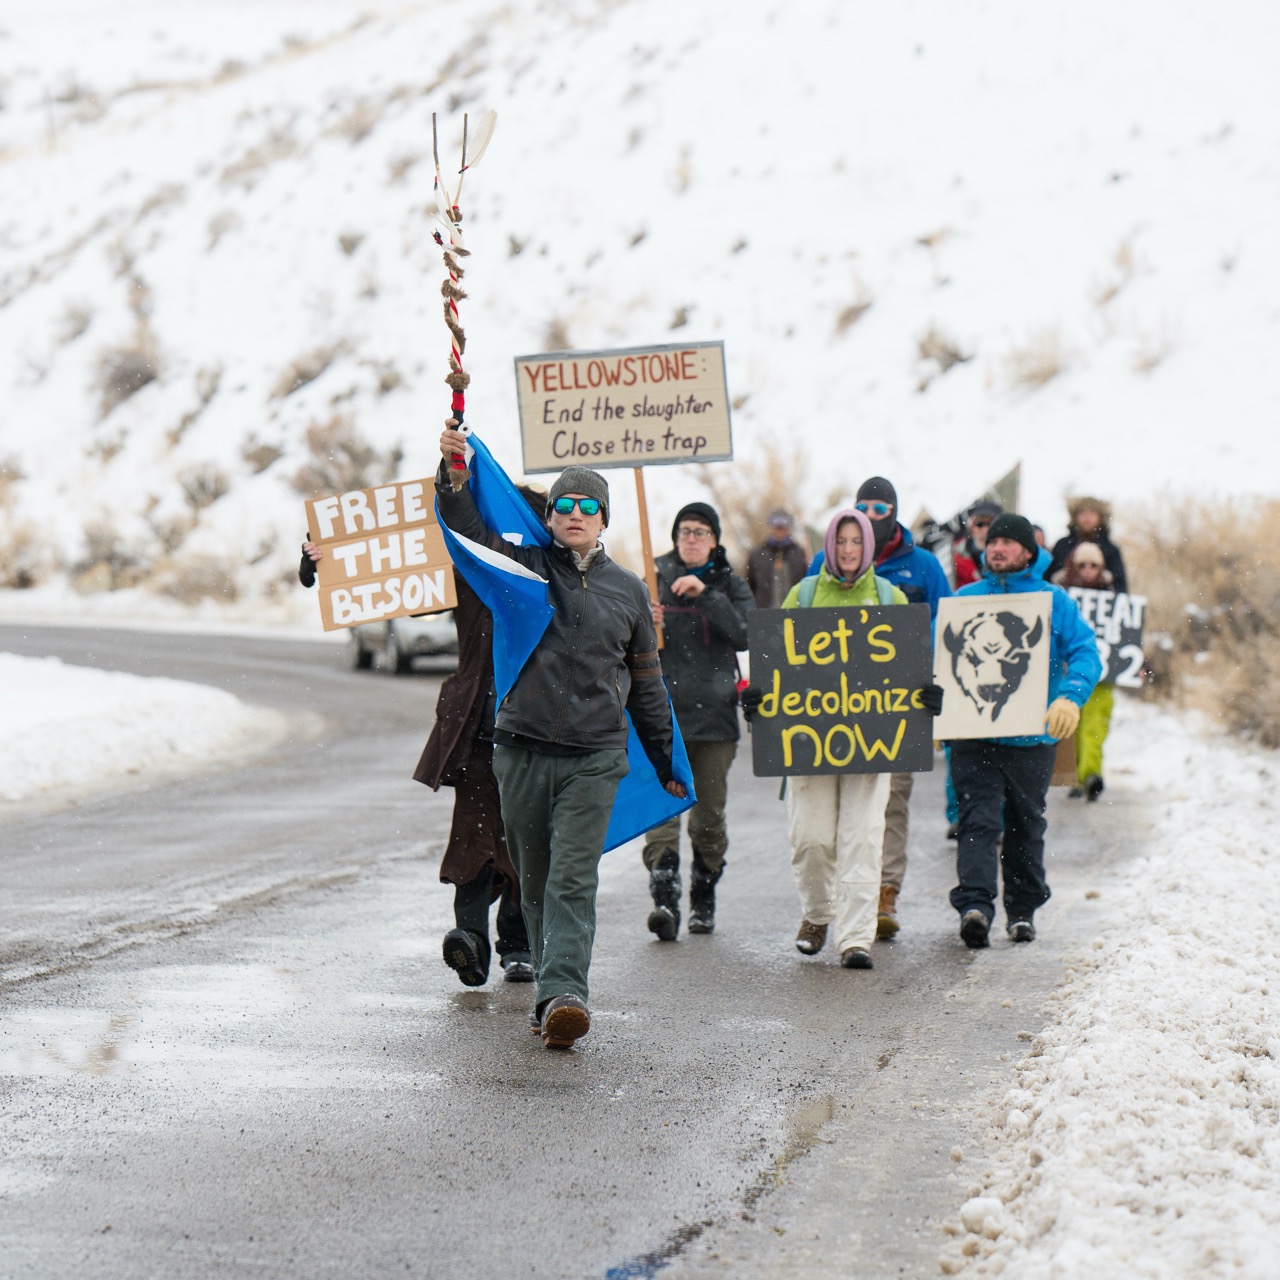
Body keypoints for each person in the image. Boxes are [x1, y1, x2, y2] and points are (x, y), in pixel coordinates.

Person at [436, 425, 685, 1050]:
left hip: (594, 758)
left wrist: (663, 759)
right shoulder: (520, 570)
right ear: (549, 517)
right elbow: (467, 535)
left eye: (588, 506)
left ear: (604, 519)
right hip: (519, 750)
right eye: (564, 506)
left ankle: (565, 994)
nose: (576, 515)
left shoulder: (628, 591)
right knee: (538, 879)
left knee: (572, 876)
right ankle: (551, 991)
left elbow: (648, 686)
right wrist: (455, 477)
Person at [745, 509, 941, 971]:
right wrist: (758, 695)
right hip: (808, 740)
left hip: (872, 744)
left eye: (857, 541)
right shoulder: (805, 593)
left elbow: (911, 663)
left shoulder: (889, 595)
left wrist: (926, 693)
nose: (849, 550)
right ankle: (816, 914)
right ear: (829, 545)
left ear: (867, 547)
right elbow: (777, 659)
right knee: (811, 841)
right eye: (842, 541)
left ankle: (856, 937)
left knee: (863, 838)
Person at [949, 514, 1102, 948]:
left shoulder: (1054, 602)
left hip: (1032, 738)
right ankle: (975, 906)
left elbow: (1087, 653)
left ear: (1028, 553)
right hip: (973, 735)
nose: (996, 547)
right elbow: (936, 659)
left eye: (1007, 542)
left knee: (1025, 824)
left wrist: (1070, 695)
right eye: (992, 541)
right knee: (976, 821)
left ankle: (1022, 910)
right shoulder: (964, 600)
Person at [644, 502, 753, 940]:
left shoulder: (730, 583)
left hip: (715, 720)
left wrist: (706, 597)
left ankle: (703, 894)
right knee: (663, 815)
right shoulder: (651, 580)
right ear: (675, 538)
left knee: (707, 819)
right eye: (685, 531)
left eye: (701, 532)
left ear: (715, 541)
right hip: (662, 718)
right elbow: (617, 633)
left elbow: (748, 633)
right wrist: (643, 620)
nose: (692, 538)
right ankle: (665, 900)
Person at [849, 477, 952, 941]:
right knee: (845, 800)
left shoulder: (924, 567)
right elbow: (795, 631)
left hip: (901, 702)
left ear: (894, 511)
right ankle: (847, 892)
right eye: (863, 506)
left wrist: (937, 685)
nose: (872, 515)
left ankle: (886, 890)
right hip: (838, 702)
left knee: (893, 799)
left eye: (881, 506)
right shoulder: (830, 557)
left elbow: (951, 630)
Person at [1052, 542, 1116, 801]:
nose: (1088, 570)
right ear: (1073, 566)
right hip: (1067, 671)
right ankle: (1076, 776)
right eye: (1083, 565)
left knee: (1095, 726)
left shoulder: (1113, 593)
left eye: (1094, 565)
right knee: (1071, 724)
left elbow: (1127, 631)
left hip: (1103, 673)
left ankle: (1091, 774)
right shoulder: (1059, 594)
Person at [1047, 496, 1127, 592]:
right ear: (1075, 517)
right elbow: (1048, 579)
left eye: (1092, 514)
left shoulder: (1110, 549)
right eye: (1083, 513)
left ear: (1100, 517)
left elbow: (1120, 586)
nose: (1087, 518)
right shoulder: (1062, 546)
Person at [747, 509, 809, 609]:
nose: (780, 530)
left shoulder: (800, 553)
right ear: (770, 526)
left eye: (783, 526)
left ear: (789, 527)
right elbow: (749, 587)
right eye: (776, 526)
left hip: (796, 615)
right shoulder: (756, 555)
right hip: (764, 615)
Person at [952, 501, 1001, 587]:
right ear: (971, 527)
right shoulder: (953, 556)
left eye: (990, 524)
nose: (985, 530)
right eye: (979, 524)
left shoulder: (1011, 556)